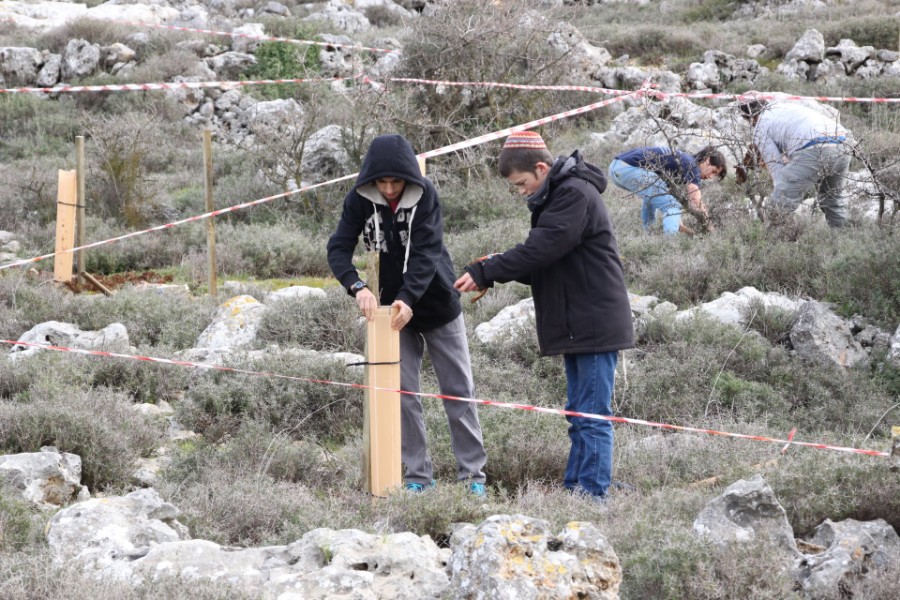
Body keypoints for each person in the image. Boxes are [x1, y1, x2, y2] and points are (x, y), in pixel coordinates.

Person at [453, 131, 634, 500]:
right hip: (579, 322)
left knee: (592, 414)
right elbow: (548, 259)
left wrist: (489, 272)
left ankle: (592, 494)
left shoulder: (572, 194)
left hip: (595, 322)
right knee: (579, 412)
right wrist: (494, 267)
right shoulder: (558, 197)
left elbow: (543, 248)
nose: (520, 191)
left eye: (521, 183)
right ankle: (576, 487)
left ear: (540, 167)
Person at [327, 134, 488, 496]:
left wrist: (407, 297)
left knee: (457, 391)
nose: (388, 188)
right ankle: (418, 477)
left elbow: (426, 253)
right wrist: (357, 287)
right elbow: (338, 247)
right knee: (403, 393)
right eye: (381, 182)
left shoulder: (425, 195)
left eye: (395, 181)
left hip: (436, 304)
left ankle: (473, 479)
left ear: (408, 177)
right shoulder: (358, 200)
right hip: (389, 311)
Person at [738, 99, 851, 227]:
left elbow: (776, 167)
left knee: (779, 205)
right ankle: (843, 237)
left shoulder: (760, 125)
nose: (751, 125)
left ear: (751, 117)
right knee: (833, 200)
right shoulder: (783, 106)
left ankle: (779, 244)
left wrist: (782, 189)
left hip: (816, 148)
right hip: (843, 144)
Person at [608, 145, 726, 235]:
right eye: (714, 171)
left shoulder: (683, 161)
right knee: (672, 207)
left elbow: (668, 195)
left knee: (654, 197)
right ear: (707, 160)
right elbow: (696, 201)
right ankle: (669, 246)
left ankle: (649, 235)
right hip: (629, 168)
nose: (710, 177)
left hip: (616, 167)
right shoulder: (692, 166)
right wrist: (710, 228)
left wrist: (681, 226)